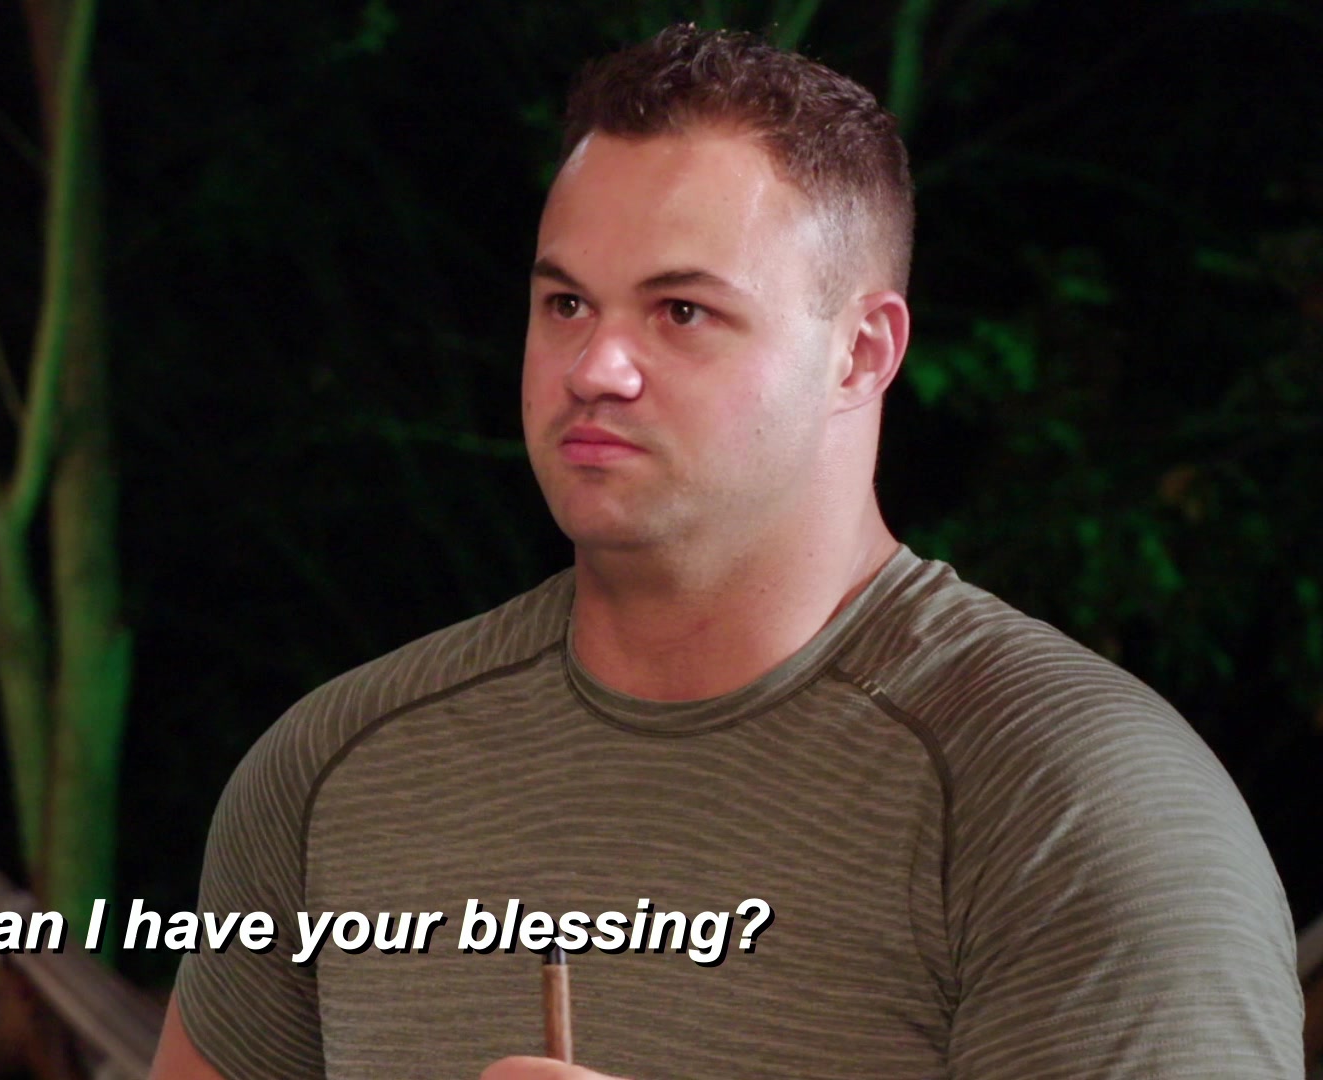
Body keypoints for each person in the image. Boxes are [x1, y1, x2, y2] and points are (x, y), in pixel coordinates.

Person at [149, 23, 1303, 1080]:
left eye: (681, 312)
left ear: (862, 352)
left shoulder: (1077, 805)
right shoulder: (333, 774)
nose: (596, 368)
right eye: (566, 305)